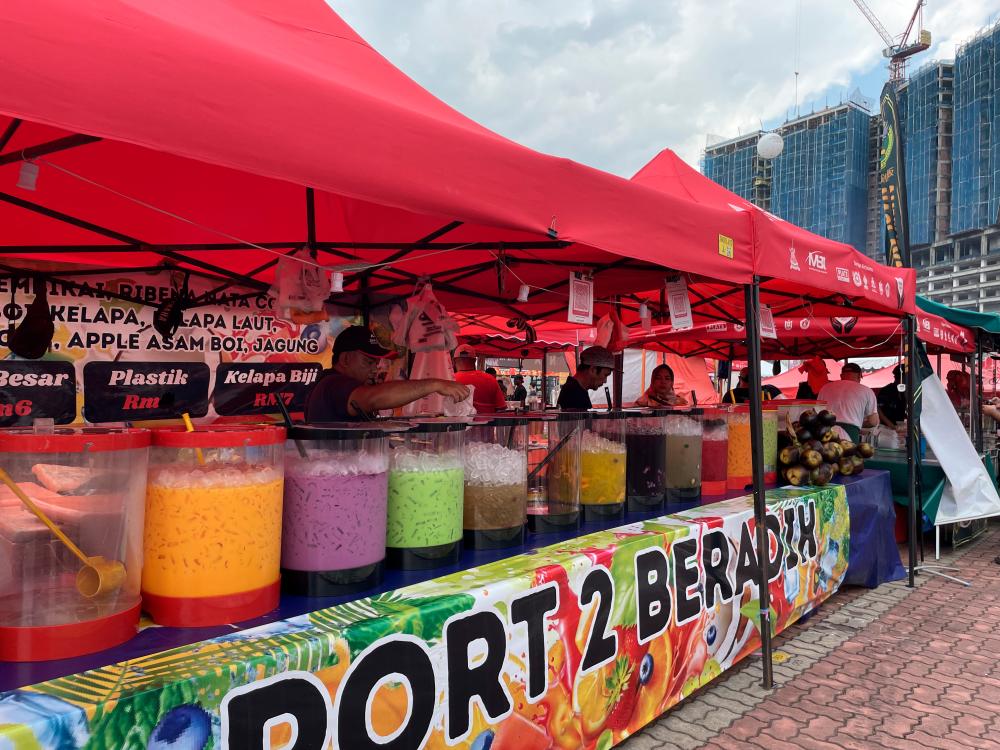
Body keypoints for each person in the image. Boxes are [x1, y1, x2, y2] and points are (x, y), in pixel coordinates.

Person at [305, 326, 469, 421]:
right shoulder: (333, 385)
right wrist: (435, 384)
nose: (375, 369)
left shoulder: (344, 385)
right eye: (369, 362)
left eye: (376, 363)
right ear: (346, 359)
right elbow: (373, 398)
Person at [817, 362, 878, 430]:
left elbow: (818, 412)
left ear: (841, 375)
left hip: (826, 431)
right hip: (850, 431)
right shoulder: (867, 391)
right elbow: (873, 422)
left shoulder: (825, 388)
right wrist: (858, 423)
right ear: (859, 376)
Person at [453, 344, 507, 414]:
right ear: (475, 360)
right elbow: (501, 408)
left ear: (453, 361)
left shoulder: (449, 381)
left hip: (456, 424)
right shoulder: (490, 379)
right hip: (487, 423)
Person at [557, 346, 614, 410]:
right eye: (605, 375)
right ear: (593, 370)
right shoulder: (574, 394)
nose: (605, 381)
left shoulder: (576, 389)